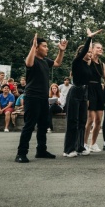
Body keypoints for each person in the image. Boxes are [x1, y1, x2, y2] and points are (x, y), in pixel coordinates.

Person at [15, 34, 67, 163]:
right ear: (37, 48)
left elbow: (57, 63)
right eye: (44, 46)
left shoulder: (45, 61)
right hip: (32, 97)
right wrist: (33, 47)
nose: (47, 48)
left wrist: (61, 51)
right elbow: (28, 63)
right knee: (29, 125)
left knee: (43, 125)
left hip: (44, 98)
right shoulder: (32, 60)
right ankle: (21, 153)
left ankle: (41, 151)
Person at [64, 30, 97, 158]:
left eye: (90, 52)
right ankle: (68, 149)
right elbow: (84, 51)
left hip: (84, 93)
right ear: (81, 53)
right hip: (75, 92)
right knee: (72, 121)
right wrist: (89, 38)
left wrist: (87, 97)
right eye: (88, 52)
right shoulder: (76, 62)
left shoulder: (87, 65)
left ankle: (80, 147)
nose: (90, 54)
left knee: (82, 121)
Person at [84, 41, 105, 153]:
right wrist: (90, 40)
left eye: (101, 48)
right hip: (89, 89)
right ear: (92, 49)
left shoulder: (102, 65)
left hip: (98, 90)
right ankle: (84, 143)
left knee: (98, 120)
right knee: (90, 119)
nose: (101, 49)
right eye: (98, 48)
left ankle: (93, 143)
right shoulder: (88, 61)